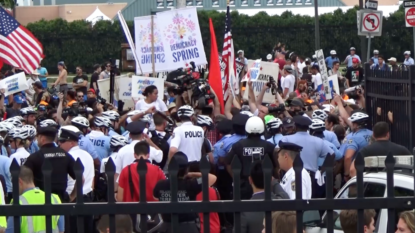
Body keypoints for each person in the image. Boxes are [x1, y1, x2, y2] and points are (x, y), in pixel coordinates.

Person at [153, 151, 217, 233]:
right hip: (188, 227)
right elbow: (212, 177)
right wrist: (190, 174)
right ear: (186, 169)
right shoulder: (190, 184)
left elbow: (155, 197)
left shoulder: (161, 184)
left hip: (167, 226)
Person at [279, 115, 333, 198]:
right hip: (311, 176)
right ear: (308, 127)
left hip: (291, 174)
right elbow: (332, 154)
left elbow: (276, 151)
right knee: (311, 202)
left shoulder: (286, 139)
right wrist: (322, 170)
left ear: (295, 126)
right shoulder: (318, 141)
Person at [225, 116, 277, 200]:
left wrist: (236, 178)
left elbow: (227, 162)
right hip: (264, 183)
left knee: (244, 210)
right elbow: (276, 166)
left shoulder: (238, 145)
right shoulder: (269, 146)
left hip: (244, 184)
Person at [24, 124, 78, 202]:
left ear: (42, 138)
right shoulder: (65, 155)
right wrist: (72, 196)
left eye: (38, 137)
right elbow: (81, 178)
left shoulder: (35, 157)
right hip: (61, 200)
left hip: (41, 200)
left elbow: (24, 179)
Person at [5, 166, 64, 233]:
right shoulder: (54, 198)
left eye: (13, 183)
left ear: (19, 181)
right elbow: (61, 230)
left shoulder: (18, 202)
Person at [58, 125, 94, 233]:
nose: (59, 143)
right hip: (88, 198)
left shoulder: (67, 157)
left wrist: (71, 197)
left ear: (72, 142)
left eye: (62, 141)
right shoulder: (87, 155)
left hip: (72, 199)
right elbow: (92, 180)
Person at [240, 161, 280, 233]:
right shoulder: (281, 201)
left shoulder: (245, 211)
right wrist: (274, 182)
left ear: (250, 180)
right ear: (271, 179)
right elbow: (283, 194)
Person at [339, 112, 372, 181]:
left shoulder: (354, 137)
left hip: (356, 171)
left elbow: (348, 157)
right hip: (371, 168)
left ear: (356, 124)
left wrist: (346, 174)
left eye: (352, 122)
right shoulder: (372, 133)